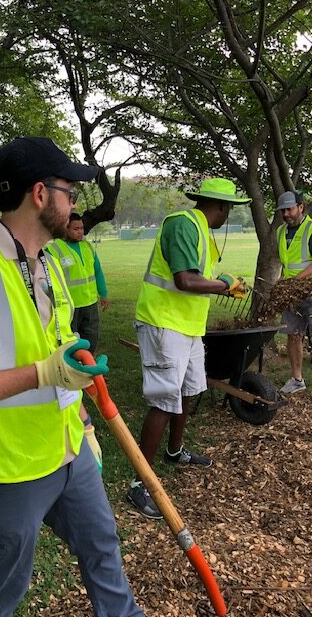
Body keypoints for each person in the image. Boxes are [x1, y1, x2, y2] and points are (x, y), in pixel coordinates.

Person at [0, 137, 145, 617]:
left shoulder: (52, 266)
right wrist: (42, 373)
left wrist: (81, 419)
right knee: (3, 593)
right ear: (40, 194)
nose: (76, 204)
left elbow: (57, 353)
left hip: (68, 450)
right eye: (71, 191)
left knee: (104, 551)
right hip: (6, 470)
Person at [127, 178, 251, 520]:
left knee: (186, 391)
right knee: (163, 401)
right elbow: (185, 280)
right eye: (230, 208)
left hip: (187, 327)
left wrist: (221, 280)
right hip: (163, 324)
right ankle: (140, 485)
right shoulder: (183, 225)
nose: (229, 214)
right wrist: (225, 287)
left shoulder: (200, 230)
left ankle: (174, 451)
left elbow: (198, 275)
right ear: (222, 206)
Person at [46, 212, 110, 355]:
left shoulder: (88, 247)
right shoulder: (54, 250)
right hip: (69, 307)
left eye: (81, 228)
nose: (80, 232)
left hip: (90, 304)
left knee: (91, 341)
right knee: (69, 345)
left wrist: (103, 294)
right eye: (76, 229)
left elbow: (98, 272)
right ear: (65, 229)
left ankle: (88, 369)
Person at [275, 191, 312, 394]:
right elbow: (287, 262)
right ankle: (297, 380)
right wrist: (284, 284)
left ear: (301, 207)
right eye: (283, 211)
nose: (286, 214)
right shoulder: (281, 232)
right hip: (291, 294)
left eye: (289, 209)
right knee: (293, 334)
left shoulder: (311, 229)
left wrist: (295, 282)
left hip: (309, 290)